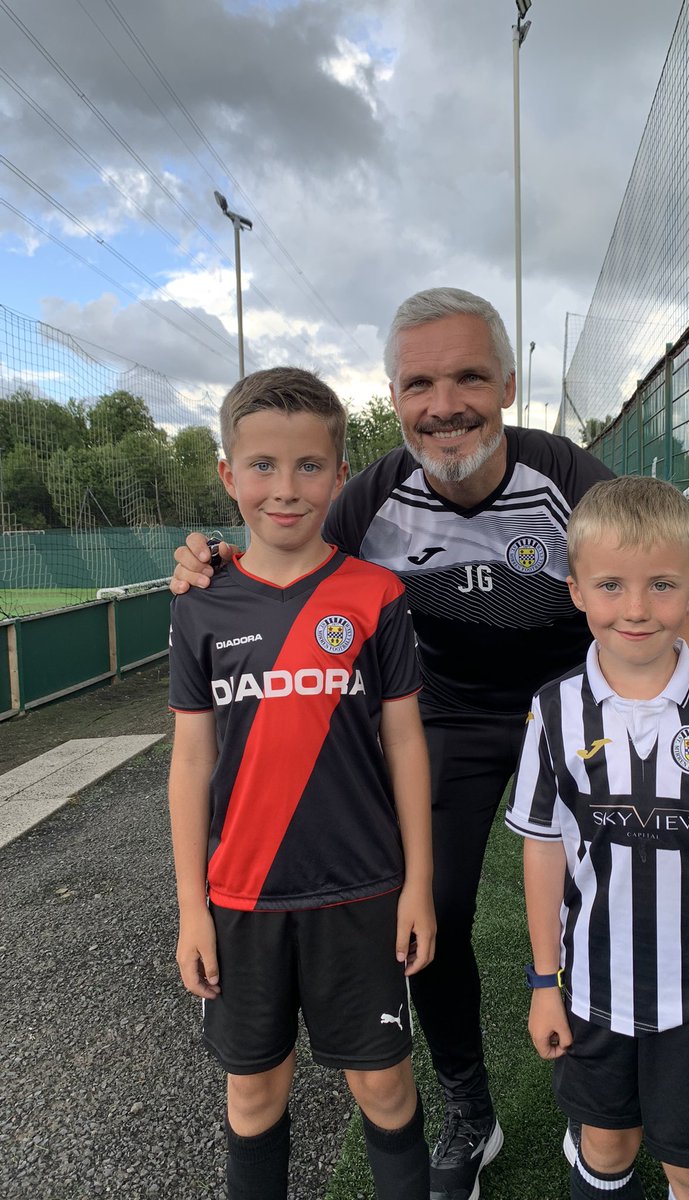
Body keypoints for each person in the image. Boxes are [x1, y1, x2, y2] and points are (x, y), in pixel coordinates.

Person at [171, 288, 689, 1200]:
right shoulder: (370, 495)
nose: (444, 404)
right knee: (434, 910)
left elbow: (662, 578)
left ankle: (623, 1072)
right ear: (394, 398)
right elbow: (285, 551)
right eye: (419, 384)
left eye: (469, 378)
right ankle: (469, 1109)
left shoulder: (567, 476)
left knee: (638, 872)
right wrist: (210, 563)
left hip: (576, 710)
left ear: (509, 388)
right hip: (445, 718)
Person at [167, 367, 435, 1200]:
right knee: (253, 1093)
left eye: (309, 465)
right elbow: (190, 761)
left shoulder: (376, 595)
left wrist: (418, 885)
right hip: (242, 899)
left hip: (362, 892)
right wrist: (191, 908)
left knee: (383, 1085)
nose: (285, 488)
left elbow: (405, 743)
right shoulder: (199, 603)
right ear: (228, 474)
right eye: (262, 465)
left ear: (339, 474)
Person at [506, 475, 689, 1200]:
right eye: (611, 586)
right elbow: (542, 848)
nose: (635, 609)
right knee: (606, 1144)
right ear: (576, 591)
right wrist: (543, 983)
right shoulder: (553, 713)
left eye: (660, 585)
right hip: (593, 985)